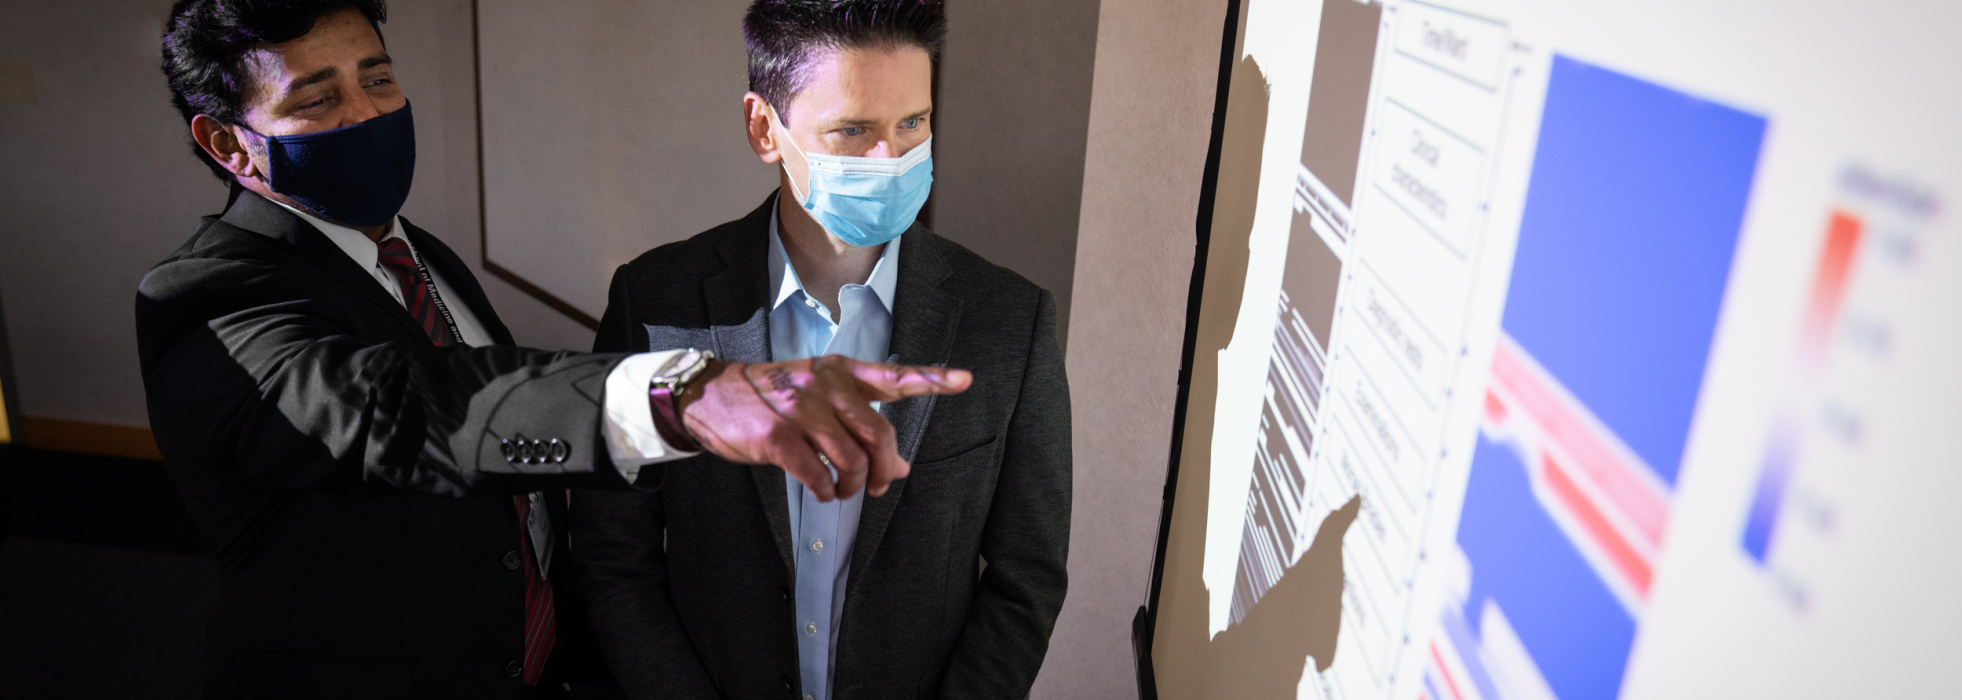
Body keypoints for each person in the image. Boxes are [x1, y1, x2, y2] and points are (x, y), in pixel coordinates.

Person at [138, 1, 969, 697]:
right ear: (228, 143)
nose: (368, 116)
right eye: (318, 100)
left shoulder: (415, 251)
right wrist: (680, 397)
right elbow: (397, 407)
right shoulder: (202, 298)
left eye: (378, 78)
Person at [572, 1, 1071, 698]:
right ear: (764, 129)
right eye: (852, 130)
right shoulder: (657, 305)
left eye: (913, 124)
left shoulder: (1009, 323)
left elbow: (1028, 578)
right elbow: (613, 560)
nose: (890, 160)